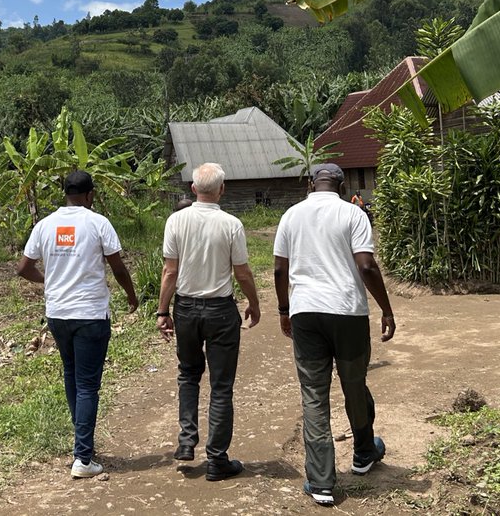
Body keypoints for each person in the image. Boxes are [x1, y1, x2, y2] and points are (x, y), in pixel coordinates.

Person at [272, 162, 396, 507]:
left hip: (307, 313)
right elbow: (367, 265)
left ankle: (321, 481)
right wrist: (386, 309)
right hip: (348, 312)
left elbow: (280, 268)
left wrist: (285, 310)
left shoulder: (291, 216)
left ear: (311, 184)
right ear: (341, 186)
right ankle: (363, 453)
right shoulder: (353, 215)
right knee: (354, 383)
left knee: (314, 393)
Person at [17, 170, 140, 479]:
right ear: (90, 195)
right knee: (87, 384)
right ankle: (83, 457)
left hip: (58, 313)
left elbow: (23, 268)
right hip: (89, 314)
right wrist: (132, 296)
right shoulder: (98, 223)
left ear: (65, 193)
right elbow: (118, 267)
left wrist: (51, 281)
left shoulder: (44, 225)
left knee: (72, 374)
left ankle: (82, 445)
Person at [156, 162, 261, 481]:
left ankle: (187, 441)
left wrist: (163, 311)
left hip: (186, 309)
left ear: (193, 188)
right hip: (220, 311)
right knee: (221, 385)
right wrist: (254, 303)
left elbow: (170, 271)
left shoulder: (176, 221)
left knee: (188, 375)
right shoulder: (231, 224)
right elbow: (241, 271)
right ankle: (217, 460)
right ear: (222, 190)